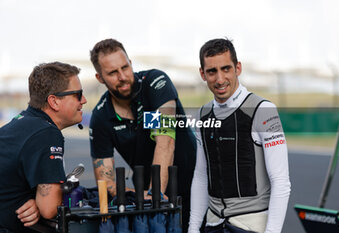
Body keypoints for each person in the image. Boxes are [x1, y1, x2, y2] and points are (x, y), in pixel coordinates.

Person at [89, 38, 196, 231]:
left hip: (195, 187)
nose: (122, 76)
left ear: (131, 63)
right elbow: (105, 181)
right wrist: (136, 196)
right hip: (149, 194)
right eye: (113, 72)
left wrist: (154, 196)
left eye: (125, 67)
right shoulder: (101, 116)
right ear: (100, 78)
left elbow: (165, 143)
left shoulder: (155, 84)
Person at [188, 38, 291, 233]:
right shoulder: (202, 115)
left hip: (251, 226)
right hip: (214, 223)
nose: (220, 79)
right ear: (202, 73)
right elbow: (201, 175)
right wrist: (193, 228)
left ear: (238, 68)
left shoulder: (264, 110)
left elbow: (281, 181)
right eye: (212, 71)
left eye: (226, 69)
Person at [0, 62, 87, 233]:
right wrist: (44, 203)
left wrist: (36, 200)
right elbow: (49, 209)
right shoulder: (46, 133)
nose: (83, 100)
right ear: (54, 101)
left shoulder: (20, 123)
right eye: (78, 94)